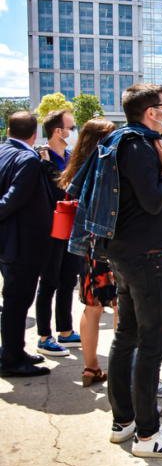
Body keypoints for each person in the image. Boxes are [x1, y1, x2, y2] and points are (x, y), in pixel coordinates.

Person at [68, 84, 162, 457]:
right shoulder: (140, 146)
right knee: (151, 343)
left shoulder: (121, 141)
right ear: (152, 112)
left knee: (127, 336)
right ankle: (148, 436)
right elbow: (154, 201)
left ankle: (124, 423)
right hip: (146, 256)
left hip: (127, 254)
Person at [59, 118, 118, 386]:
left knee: (90, 308)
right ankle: (121, 370)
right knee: (121, 307)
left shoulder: (75, 169)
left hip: (86, 248)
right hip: (108, 245)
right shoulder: (105, 168)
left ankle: (90, 367)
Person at [0, 112, 53, 377]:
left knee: (14, 302)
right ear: (35, 135)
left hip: (9, 243)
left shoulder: (3, 152)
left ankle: (14, 350)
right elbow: (13, 198)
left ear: (9, 131)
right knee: (17, 303)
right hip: (21, 244)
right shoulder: (28, 159)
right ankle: (11, 360)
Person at [35, 109, 82, 357]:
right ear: (57, 131)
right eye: (71, 127)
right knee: (49, 282)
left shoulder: (72, 157)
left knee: (67, 281)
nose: (74, 132)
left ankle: (65, 330)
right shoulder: (41, 159)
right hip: (51, 230)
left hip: (72, 228)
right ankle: (44, 336)